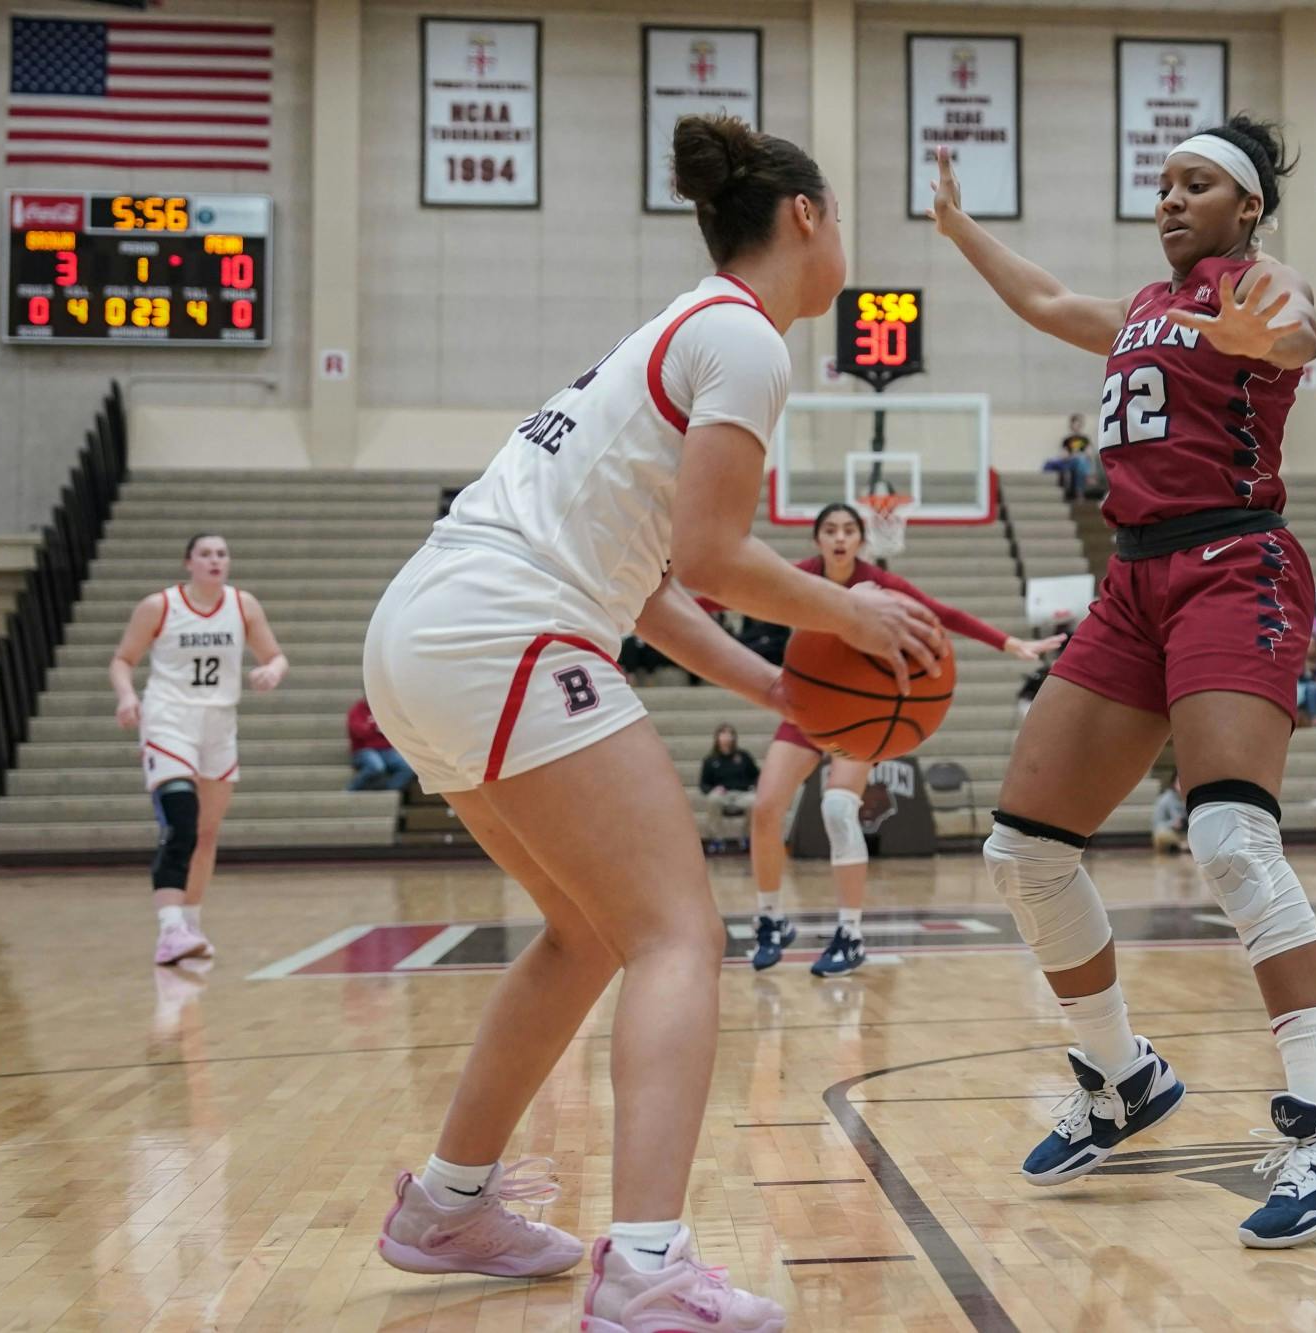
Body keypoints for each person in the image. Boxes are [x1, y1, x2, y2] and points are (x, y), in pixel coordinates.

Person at [361, 115, 943, 1328]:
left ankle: (447, 1205)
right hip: (506, 624)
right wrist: (855, 609)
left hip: (428, 625)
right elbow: (714, 555)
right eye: (842, 214)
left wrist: (777, 687)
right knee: (679, 935)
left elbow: (659, 587)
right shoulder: (745, 337)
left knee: (582, 933)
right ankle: (644, 1267)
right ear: (805, 217)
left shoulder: (681, 329)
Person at [927, 115, 1316, 1248]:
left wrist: (1270, 333)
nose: (1172, 198)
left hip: (1233, 563)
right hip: (1133, 581)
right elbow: (1044, 303)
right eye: (1164, 183)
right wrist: (956, 230)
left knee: (1230, 839)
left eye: (1198, 184)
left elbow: (1293, 333)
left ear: (1244, 207)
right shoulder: (1144, 308)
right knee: (1023, 852)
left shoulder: (1258, 283)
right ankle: (1118, 1073)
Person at [746, 502, 1065, 975]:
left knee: (837, 808)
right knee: (765, 808)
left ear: (860, 539)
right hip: (809, 706)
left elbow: (941, 613)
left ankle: (850, 934)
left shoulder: (880, 582)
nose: (839, 537)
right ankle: (770, 919)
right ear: (817, 540)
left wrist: (1006, 642)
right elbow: (731, 586)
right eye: (830, 529)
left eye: (848, 529)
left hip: (862, 713)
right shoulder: (801, 577)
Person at [109, 533, 288, 966]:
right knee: (182, 825)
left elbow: (276, 655)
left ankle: (189, 924)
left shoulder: (243, 605)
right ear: (188, 562)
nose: (215, 560)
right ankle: (169, 928)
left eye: (222, 554)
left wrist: (271, 671)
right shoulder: (159, 606)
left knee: (206, 834)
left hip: (218, 724)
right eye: (205, 554)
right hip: (169, 719)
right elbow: (123, 659)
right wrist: (126, 696)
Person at [698, 723, 759, 848]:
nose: (727, 736)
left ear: (734, 738)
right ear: (717, 737)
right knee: (712, 799)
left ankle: (746, 837)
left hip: (743, 794)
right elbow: (703, 784)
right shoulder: (710, 760)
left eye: (730, 733)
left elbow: (757, 775)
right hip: (723, 795)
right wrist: (713, 789)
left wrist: (753, 786)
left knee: (755, 801)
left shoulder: (743, 756)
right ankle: (717, 839)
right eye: (723, 733)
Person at [347, 695, 416, 792]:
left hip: (387, 750)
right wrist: (375, 728)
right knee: (376, 767)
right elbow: (359, 732)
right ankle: (351, 790)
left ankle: (387, 792)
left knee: (408, 768)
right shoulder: (357, 710)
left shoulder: (385, 709)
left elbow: (396, 730)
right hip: (365, 750)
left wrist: (377, 728)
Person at [1151, 771, 1187, 853]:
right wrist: (1173, 824)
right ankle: (1180, 846)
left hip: (1187, 834)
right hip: (1171, 834)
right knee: (1161, 834)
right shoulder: (1165, 799)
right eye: (1180, 781)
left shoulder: (1191, 799)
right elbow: (1157, 825)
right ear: (1174, 783)